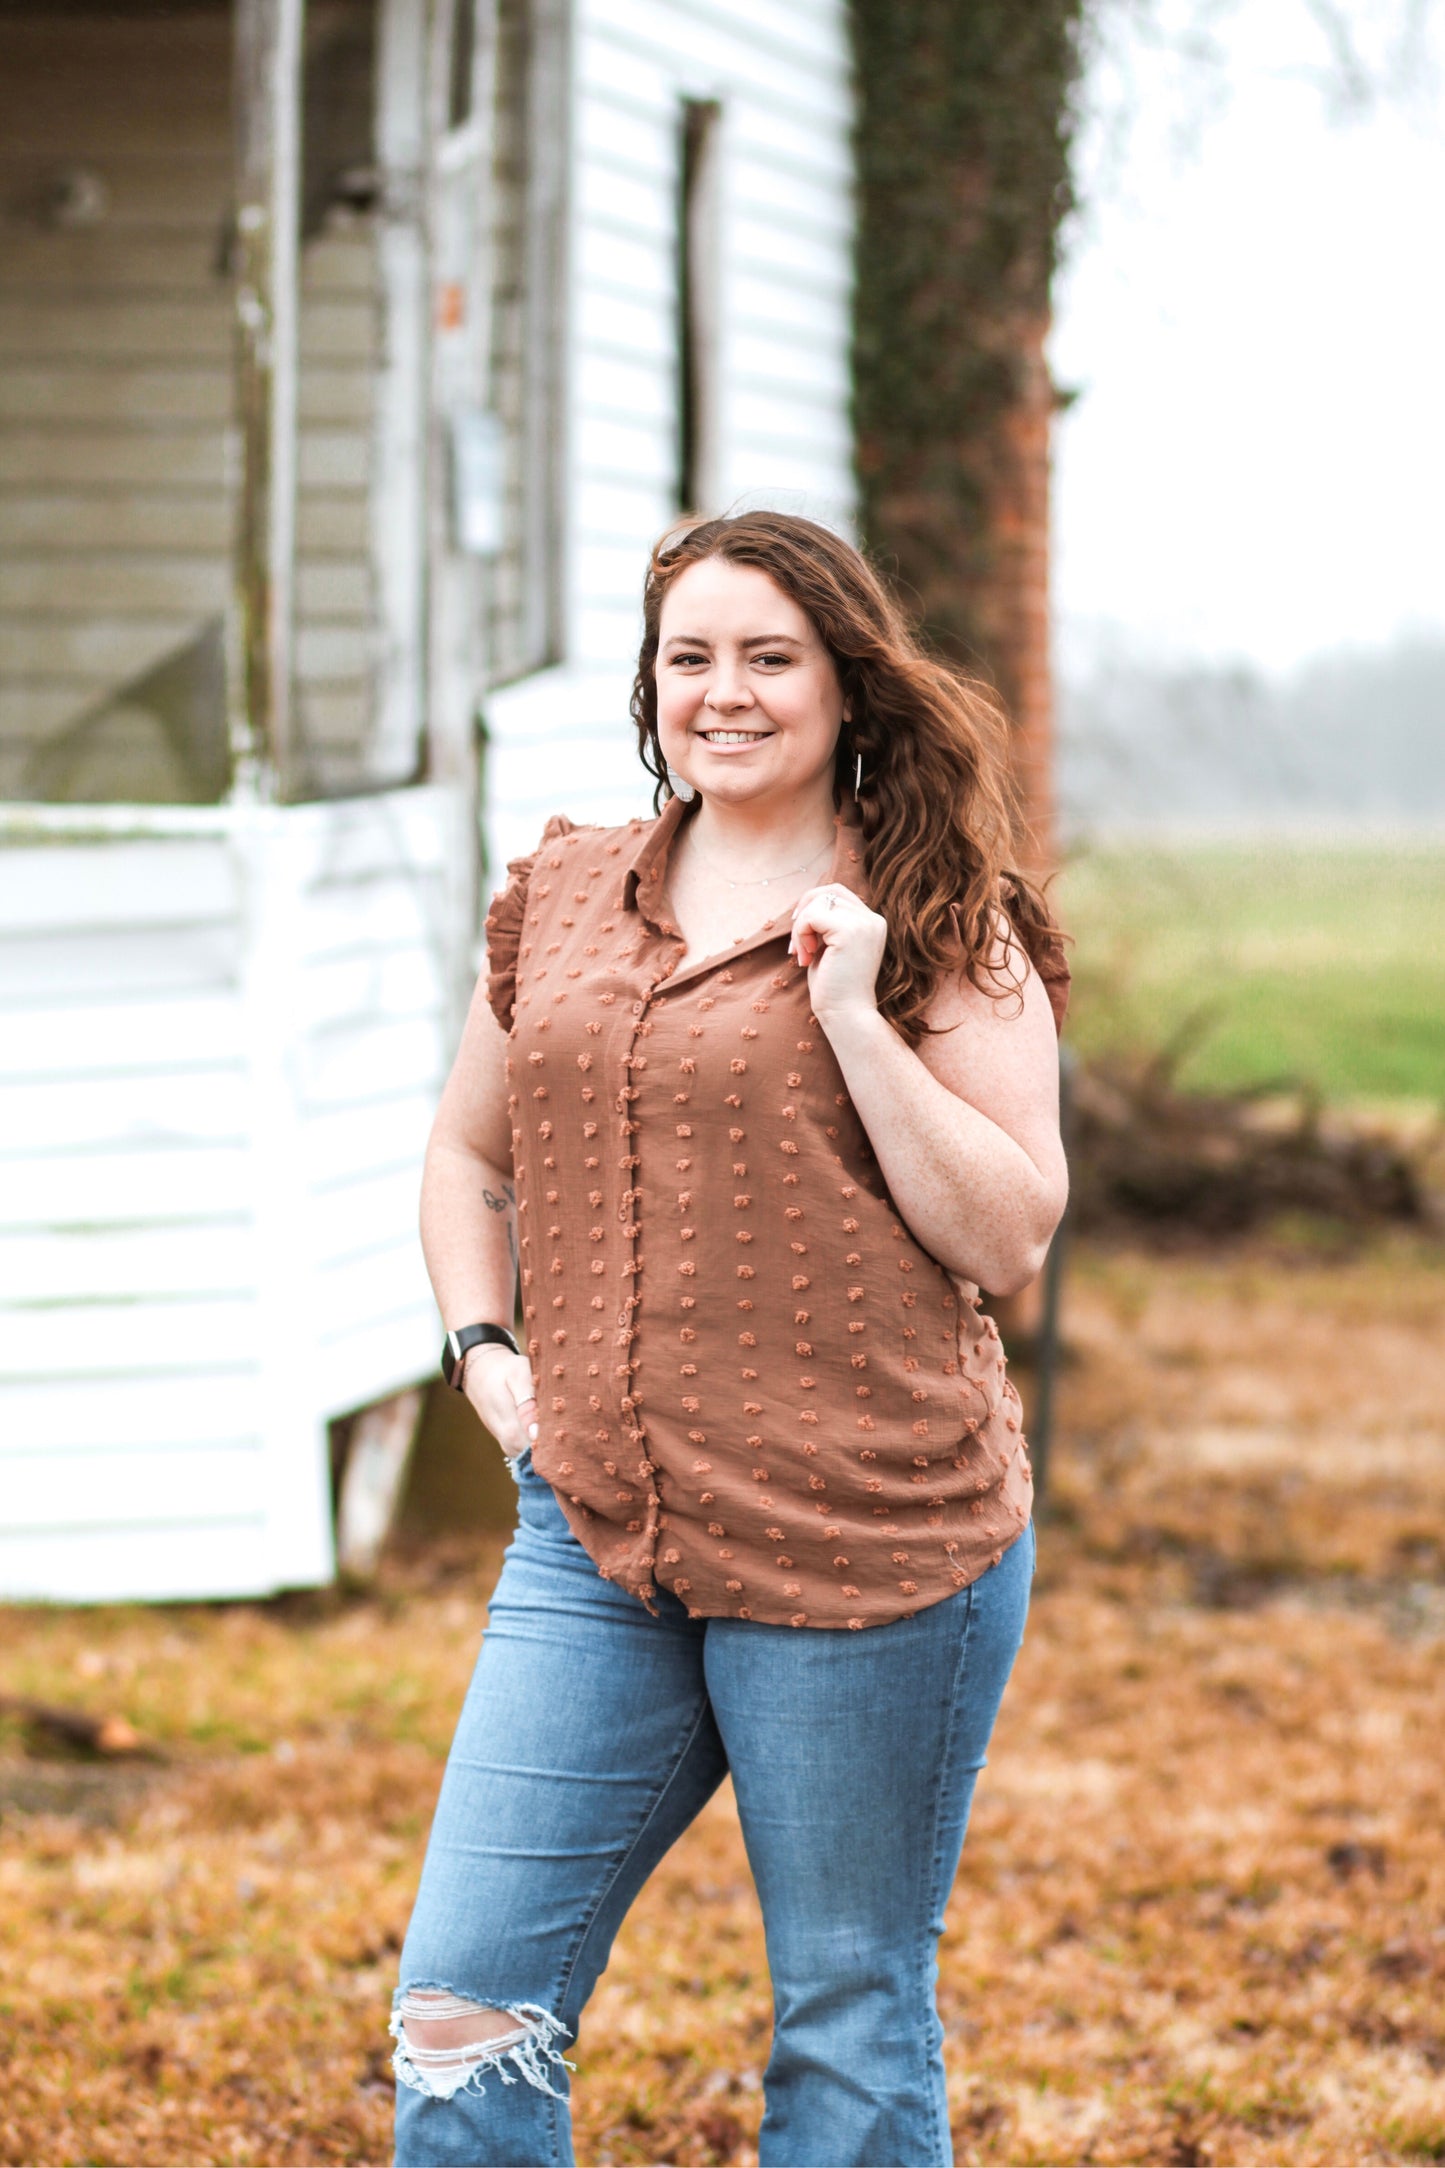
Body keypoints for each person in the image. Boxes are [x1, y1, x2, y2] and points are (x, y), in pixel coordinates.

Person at [392, 511, 1070, 2168]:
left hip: (870, 1540)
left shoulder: (938, 918)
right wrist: (486, 1353)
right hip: (596, 1529)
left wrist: (852, 1014)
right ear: (650, 685)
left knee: (843, 2013)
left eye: (770, 657)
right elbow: (466, 1158)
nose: (727, 693)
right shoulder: (560, 896)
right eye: (689, 658)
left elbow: (1010, 1235)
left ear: (844, 682)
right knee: (461, 2006)